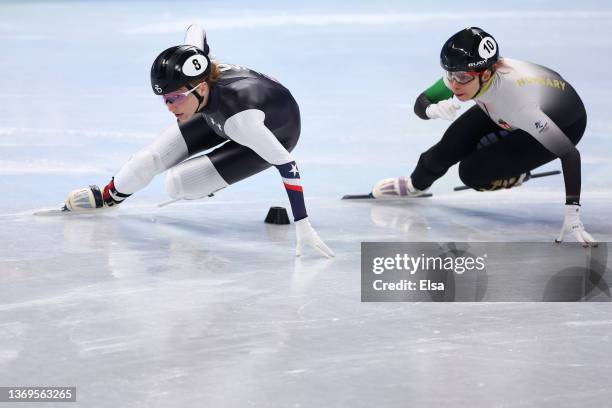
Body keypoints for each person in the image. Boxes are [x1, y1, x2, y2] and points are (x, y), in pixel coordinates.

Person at [64, 25, 334, 258]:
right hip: (216, 111)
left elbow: (287, 165)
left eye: (176, 98)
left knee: (178, 184)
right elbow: (195, 29)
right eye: (166, 99)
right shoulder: (197, 77)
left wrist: (303, 225)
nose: (170, 107)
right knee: (149, 160)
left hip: (275, 130)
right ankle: (109, 196)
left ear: (201, 87)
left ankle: (210, 182)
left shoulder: (242, 121)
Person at [371, 27, 596, 246]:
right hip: (504, 104)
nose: (454, 84)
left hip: (564, 123)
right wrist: (431, 110)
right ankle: (415, 186)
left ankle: (514, 174)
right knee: (448, 147)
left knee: (471, 172)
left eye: (462, 77)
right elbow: (422, 102)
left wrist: (573, 214)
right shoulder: (468, 73)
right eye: (450, 74)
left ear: (486, 74)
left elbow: (569, 154)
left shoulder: (518, 104)